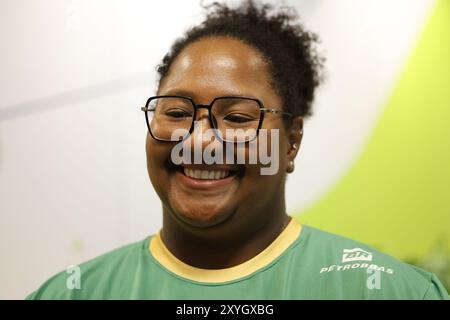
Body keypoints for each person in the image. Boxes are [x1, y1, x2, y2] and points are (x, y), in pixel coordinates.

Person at [27, 0, 449, 299]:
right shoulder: (72, 293)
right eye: (177, 111)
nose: (200, 140)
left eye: (237, 118)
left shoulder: (386, 291)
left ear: (291, 142)